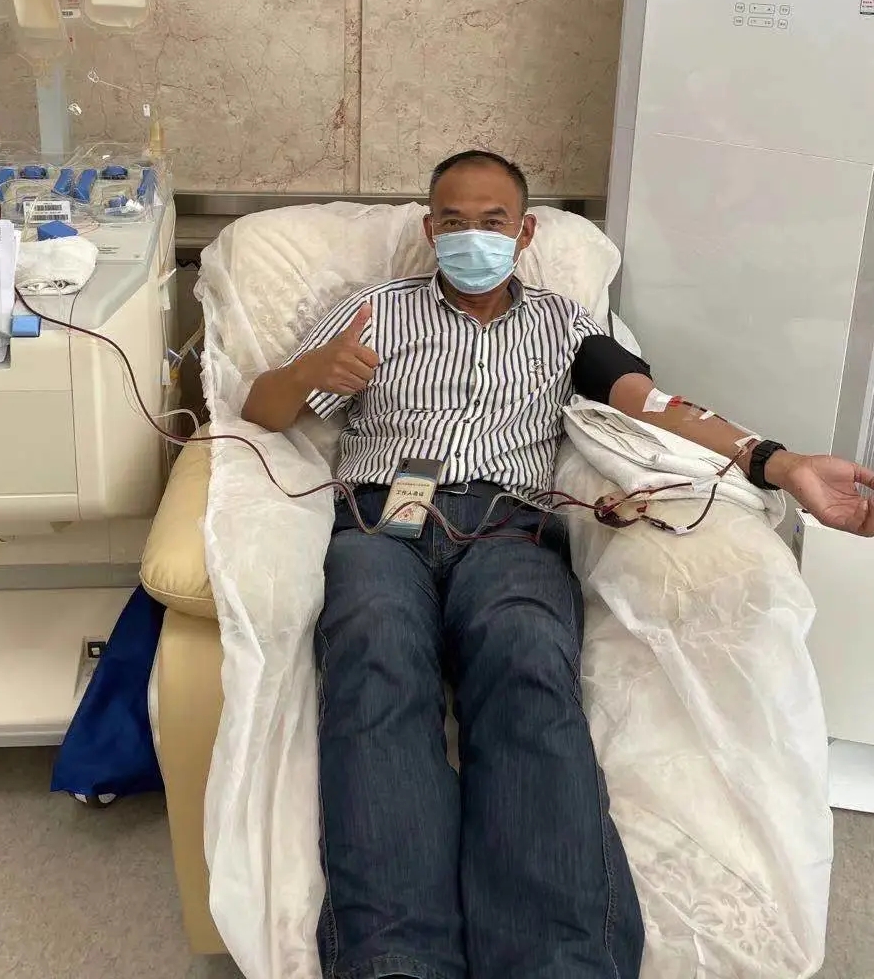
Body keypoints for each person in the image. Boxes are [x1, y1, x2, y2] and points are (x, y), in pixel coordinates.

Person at [241, 149, 874, 979]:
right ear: (430, 229)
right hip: (380, 520)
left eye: (492, 221)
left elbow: (659, 407)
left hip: (512, 528)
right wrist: (305, 373)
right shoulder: (372, 312)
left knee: (528, 664)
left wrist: (779, 463)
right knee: (374, 655)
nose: (472, 236)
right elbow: (262, 409)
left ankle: (558, 959)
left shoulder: (568, 327)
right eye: (453, 221)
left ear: (525, 232)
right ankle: (397, 957)